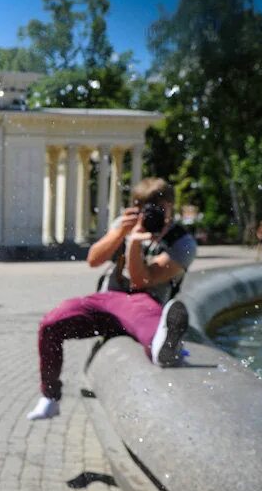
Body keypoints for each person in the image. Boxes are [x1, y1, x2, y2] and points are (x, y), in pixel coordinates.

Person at [29, 178, 197, 420]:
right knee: (51, 324)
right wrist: (121, 233)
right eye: (143, 208)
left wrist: (134, 245)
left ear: (171, 206)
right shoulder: (125, 225)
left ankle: (166, 345)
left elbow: (142, 281)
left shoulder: (182, 242)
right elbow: (93, 259)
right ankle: (50, 397)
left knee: (149, 324)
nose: (148, 214)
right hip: (107, 300)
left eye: (157, 208)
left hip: (143, 301)